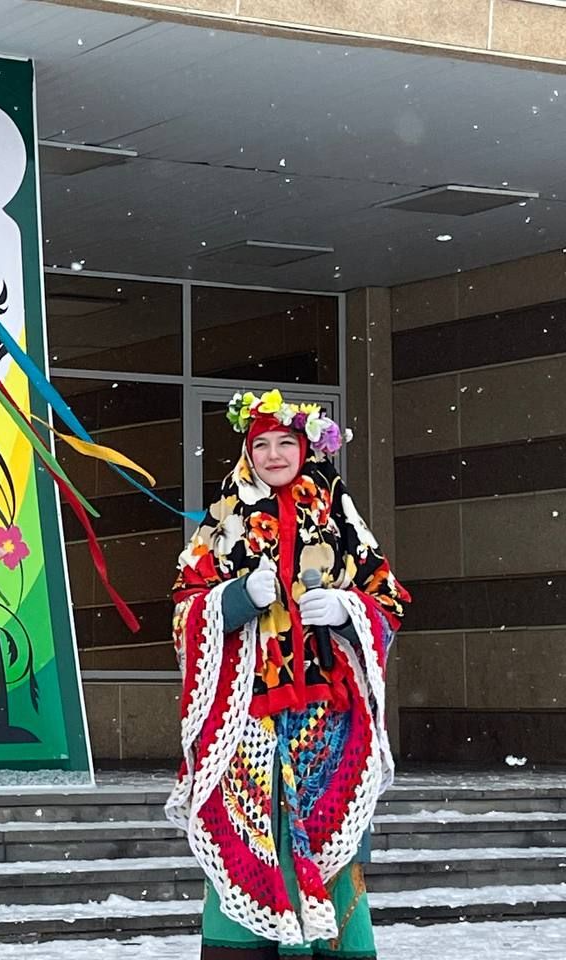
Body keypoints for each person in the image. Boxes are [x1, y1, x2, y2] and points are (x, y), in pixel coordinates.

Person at [167, 390, 410, 960]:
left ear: (305, 449)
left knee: (332, 845)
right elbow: (183, 611)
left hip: (330, 721)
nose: (274, 455)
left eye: (285, 444)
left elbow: (390, 600)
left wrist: (351, 612)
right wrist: (231, 600)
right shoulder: (223, 522)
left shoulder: (339, 517)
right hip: (246, 721)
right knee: (245, 845)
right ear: (248, 453)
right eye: (262, 445)